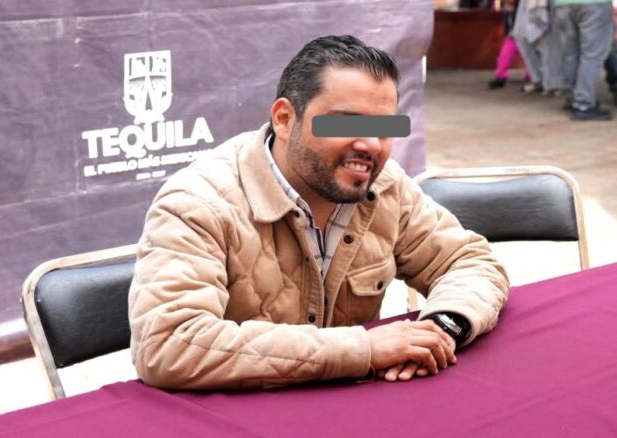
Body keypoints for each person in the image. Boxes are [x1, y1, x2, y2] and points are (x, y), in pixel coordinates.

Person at [128, 35, 510, 390]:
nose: (370, 146)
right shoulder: (198, 203)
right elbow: (169, 343)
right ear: (284, 118)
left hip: (353, 411)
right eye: (346, 123)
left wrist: (443, 326)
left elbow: (469, 262)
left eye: (384, 128)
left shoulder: (386, 186)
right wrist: (362, 349)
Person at [554, 0, 614, 120]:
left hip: (562, 4)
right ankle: (583, 103)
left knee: (570, 55)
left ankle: (573, 97)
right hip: (594, 4)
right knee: (592, 55)